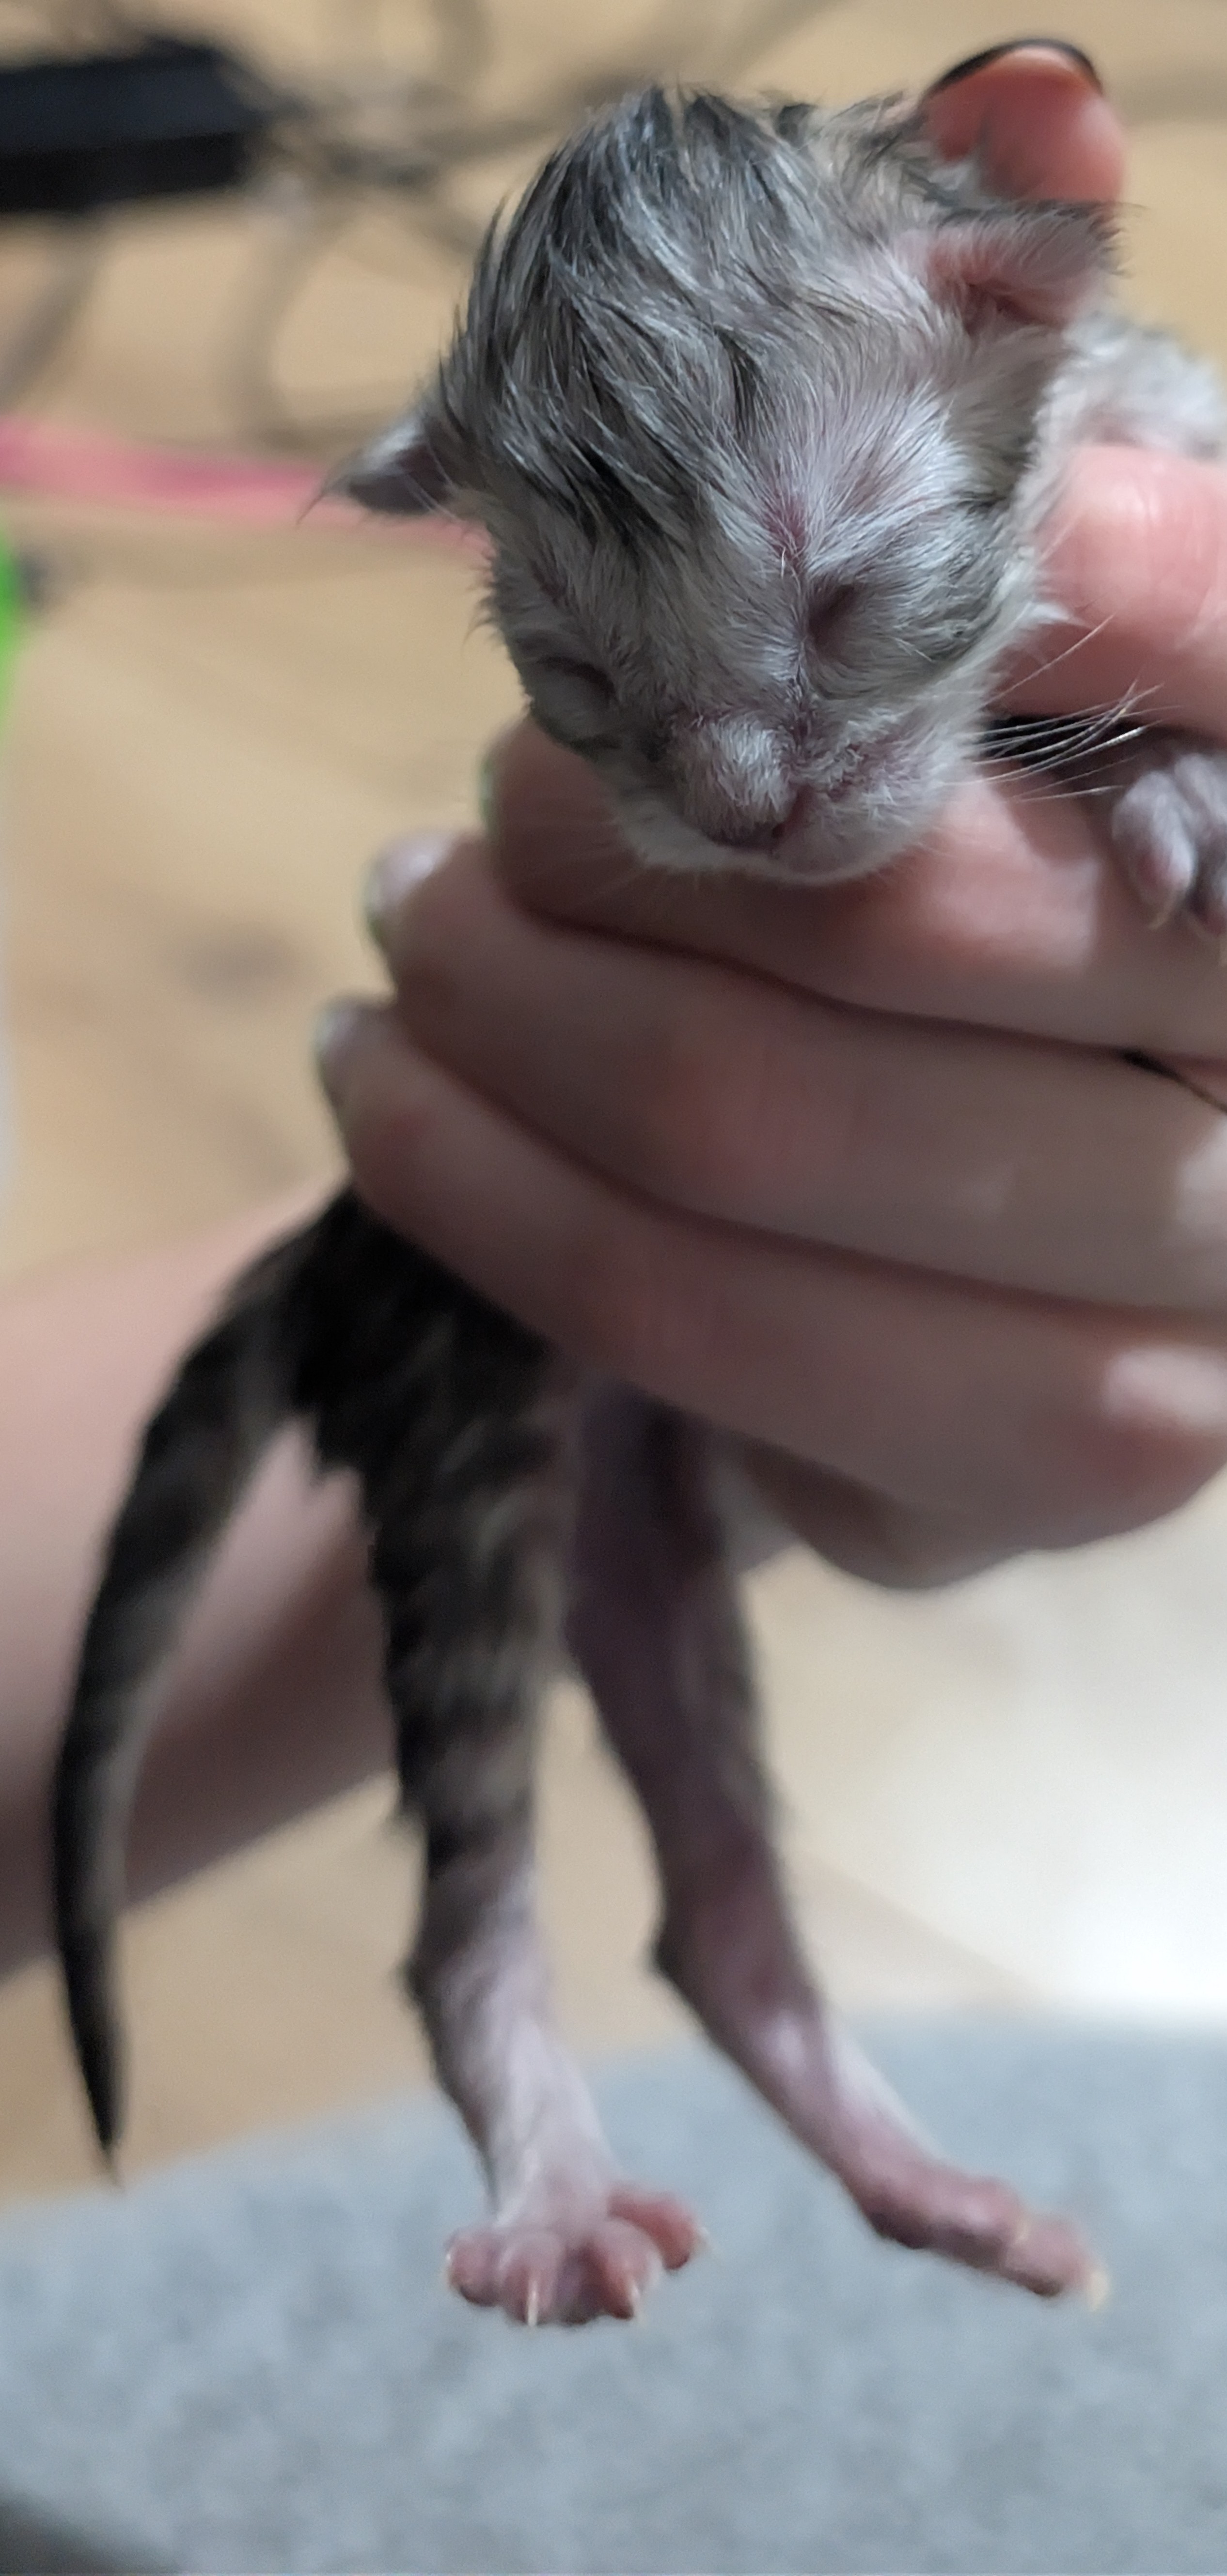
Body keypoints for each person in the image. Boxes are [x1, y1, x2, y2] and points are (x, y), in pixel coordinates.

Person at [4, 39, 1227, 1979]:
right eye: (590, 676)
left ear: (1008, 301)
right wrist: (685, 1284)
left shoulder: (1129, 423)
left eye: (835, 605)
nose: (736, 789)